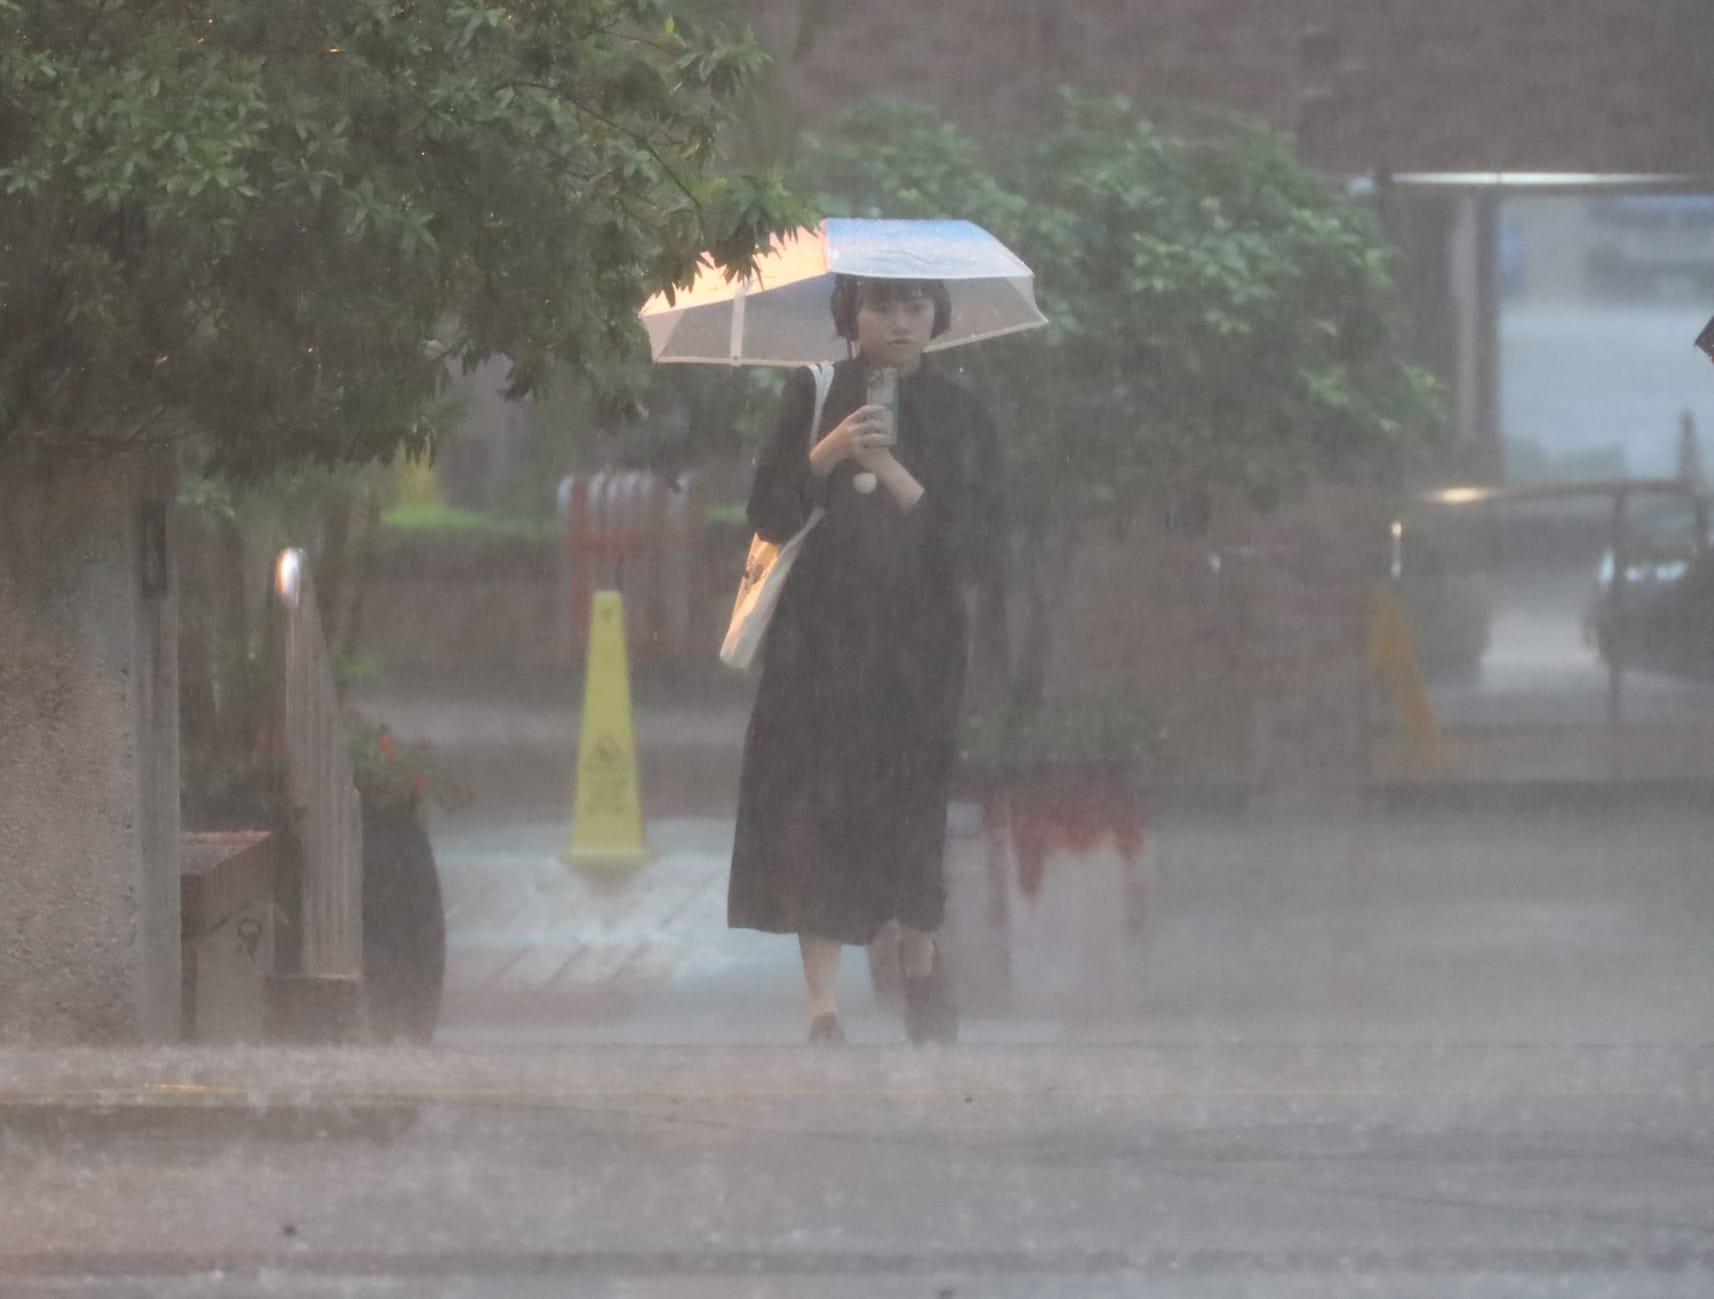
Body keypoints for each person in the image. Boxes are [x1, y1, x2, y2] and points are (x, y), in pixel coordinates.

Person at [729, 275, 1005, 1045]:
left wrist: (890, 470)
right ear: (851, 316)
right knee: (817, 812)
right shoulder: (815, 394)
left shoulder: (959, 414)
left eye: (917, 307)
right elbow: (768, 515)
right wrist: (827, 450)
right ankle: (824, 1008)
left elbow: (975, 542)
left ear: (938, 318)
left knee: (911, 808)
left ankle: (920, 958)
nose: (900, 323)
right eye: (883, 307)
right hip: (819, 649)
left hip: (918, 653)